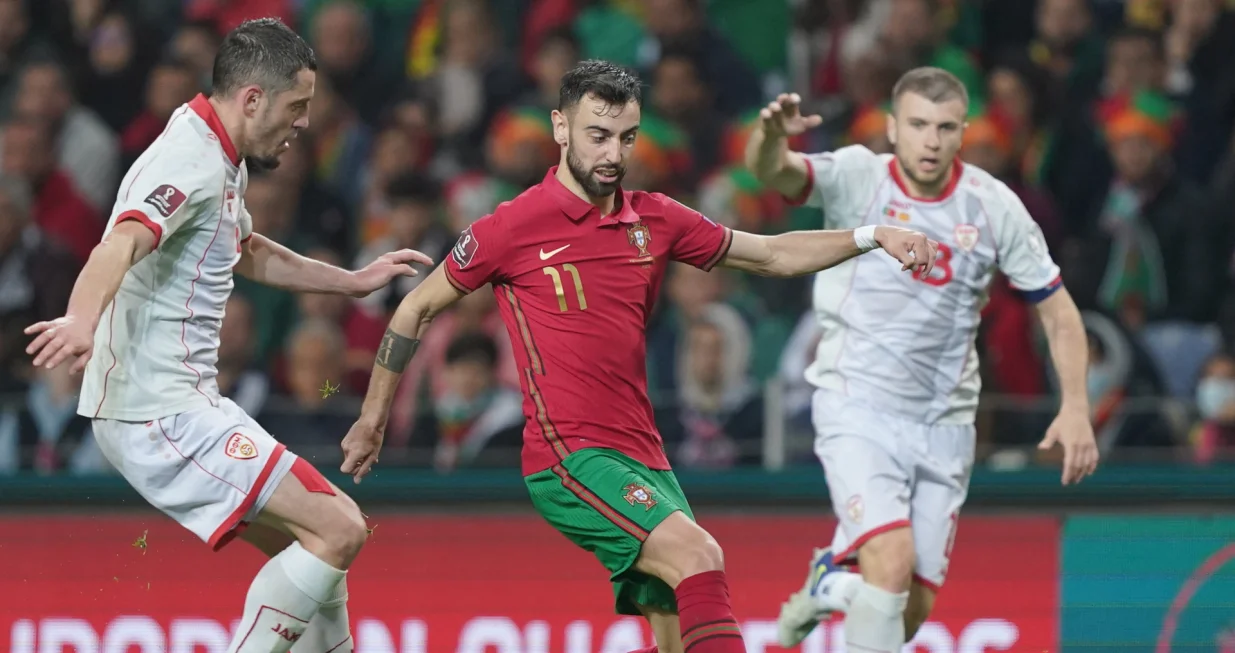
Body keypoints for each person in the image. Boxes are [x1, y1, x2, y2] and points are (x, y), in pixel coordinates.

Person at [340, 59, 937, 653]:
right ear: (560, 128)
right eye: (598, 135)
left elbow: (771, 255)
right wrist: (372, 418)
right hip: (568, 454)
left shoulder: (656, 217)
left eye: (626, 137)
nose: (613, 154)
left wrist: (871, 236)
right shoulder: (511, 226)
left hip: (645, 455)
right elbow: (412, 308)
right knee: (700, 555)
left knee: (676, 627)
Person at [23, 19, 432, 653]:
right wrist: (81, 318)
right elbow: (121, 242)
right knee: (341, 529)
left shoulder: (218, 154)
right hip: (157, 411)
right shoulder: (187, 161)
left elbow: (244, 250)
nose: (303, 124)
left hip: (177, 405)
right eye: (296, 108)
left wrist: (350, 281)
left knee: (317, 546)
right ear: (252, 99)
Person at [745, 68, 1100, 652]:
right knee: (890, 562)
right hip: (855, 405)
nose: (930, 140)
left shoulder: (993, 206)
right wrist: (770, 138)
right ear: (892, 128)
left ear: (963, 133)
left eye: (943, 128)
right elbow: (772, 170)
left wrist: (1078, 406)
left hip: (945, 426)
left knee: (906, 614)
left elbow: (1057, 309)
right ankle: (846, 574)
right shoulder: (858, 176)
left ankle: (833, 578)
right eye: (916, 125)